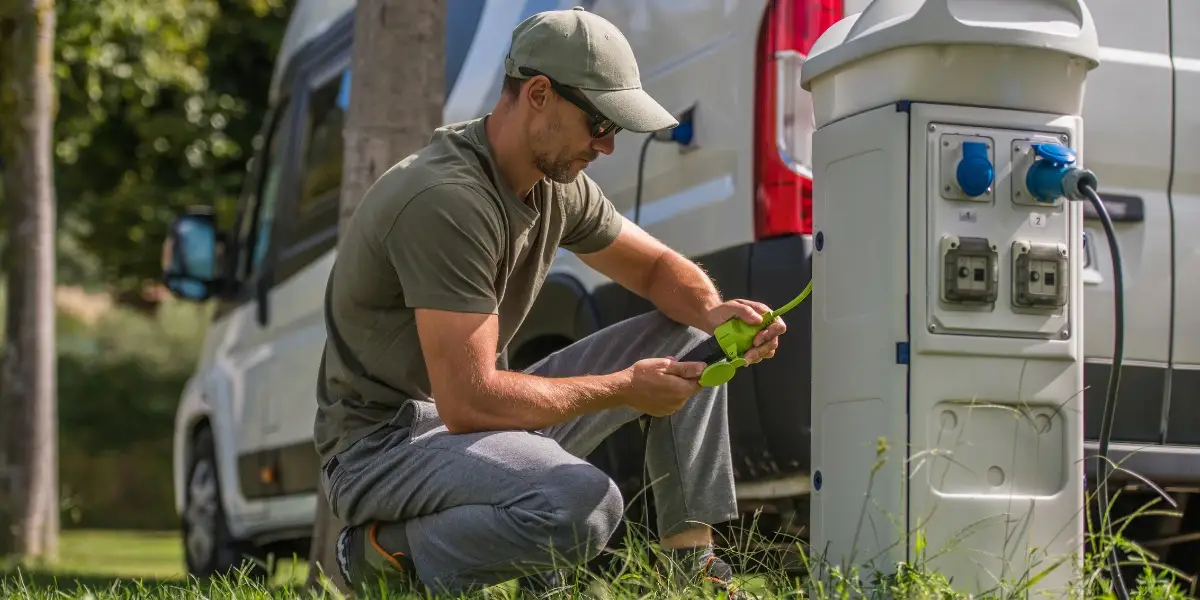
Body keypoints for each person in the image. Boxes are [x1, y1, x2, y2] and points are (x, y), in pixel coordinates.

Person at [314, 6, 787, 597]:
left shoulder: (554, 186)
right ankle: (383, 555)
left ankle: (690, 572)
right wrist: (625, 388)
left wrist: (714, 311)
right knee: (584, 503)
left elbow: (657, 267)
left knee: (689, 333)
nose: (608, 146)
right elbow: (467, 401)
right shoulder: (448, 200)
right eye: (600, 123)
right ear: (539, 93)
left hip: (466, 429)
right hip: (383, 448)